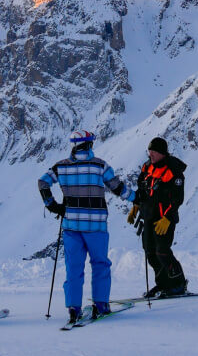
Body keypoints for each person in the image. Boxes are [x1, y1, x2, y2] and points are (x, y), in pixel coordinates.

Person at [38, 130, 136, 325]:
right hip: (96, 225)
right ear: (90, 144)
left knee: (74, 267)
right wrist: (137, 198)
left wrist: (52, 205)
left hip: (71, 226)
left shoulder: (61, 167)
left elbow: (42, 183)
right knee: (100, 264)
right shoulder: (100, 165)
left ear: (74, 145)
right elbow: (118, 188)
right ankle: (101, 305)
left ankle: (73, 308)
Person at [128, 136, 188, 298]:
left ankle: (178, 284)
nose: (150, 154)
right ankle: (163, 284)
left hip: (164, 220)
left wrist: (167, 218)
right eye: (149, 151)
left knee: (162, 251)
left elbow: (177, 198)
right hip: (148, 216)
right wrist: (136, 206)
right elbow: (142, 189)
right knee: (150, 252)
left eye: (154, 151)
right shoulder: (147, 168)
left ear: (162, 152)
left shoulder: (173, 171)